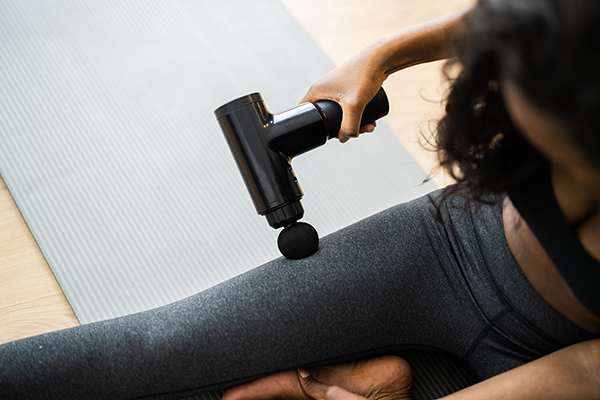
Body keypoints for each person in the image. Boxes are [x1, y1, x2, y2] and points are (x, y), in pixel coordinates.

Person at [1, 0, 599, 399]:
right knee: (158, 347)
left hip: (552, 353)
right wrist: (382, 55)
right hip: (448, 244)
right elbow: (525, 15)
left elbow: (581, 371)